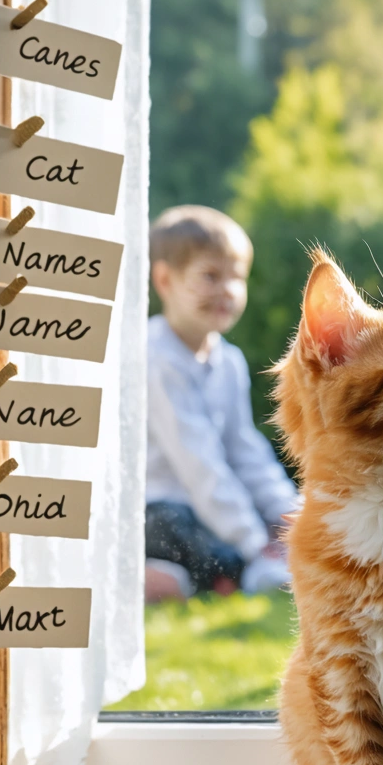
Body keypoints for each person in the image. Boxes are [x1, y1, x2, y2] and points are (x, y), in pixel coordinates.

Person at [144, 205, 299, 602]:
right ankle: (235, 570)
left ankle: (194, 577)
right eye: (211, 276)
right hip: (161, 509)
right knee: (200, 538)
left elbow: (243, 447)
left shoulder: (228, 361)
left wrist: (290, 514)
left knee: (235, 535)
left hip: (208, 508)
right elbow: (199, 463)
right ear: (165, 279)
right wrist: (252, 539)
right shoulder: (156, 356)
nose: (227, 291)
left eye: (237, 278)